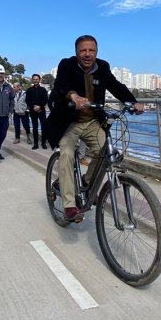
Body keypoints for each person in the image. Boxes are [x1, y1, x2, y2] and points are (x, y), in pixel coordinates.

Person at [47, 35, 144, 223]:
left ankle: (86, 182)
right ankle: (69, 206)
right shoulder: (66, 65)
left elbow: (116, 86)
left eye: (91, 50)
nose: (87, 54)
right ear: (76, 52)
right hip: (69, 122)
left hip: (92, 121)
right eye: (83, 50)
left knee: (106, 153)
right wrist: (74, 97)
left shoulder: (103, 67)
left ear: (96, 52)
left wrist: (133, 102)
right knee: (66, 154)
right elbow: (61, 84)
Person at [25, 73, 49, 150]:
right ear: (32, 80)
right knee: (34, 128)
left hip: (41, 111)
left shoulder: (43, 90)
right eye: (34, 79)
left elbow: (45, 100)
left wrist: (40, 106)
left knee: (44, 127)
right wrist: (33, 107)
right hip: (33, 111)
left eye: (37, 79)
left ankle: (43, 143)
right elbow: (27, 100)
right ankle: (35, 144)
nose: (35, 80)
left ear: (39, 80)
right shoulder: (29, 90)